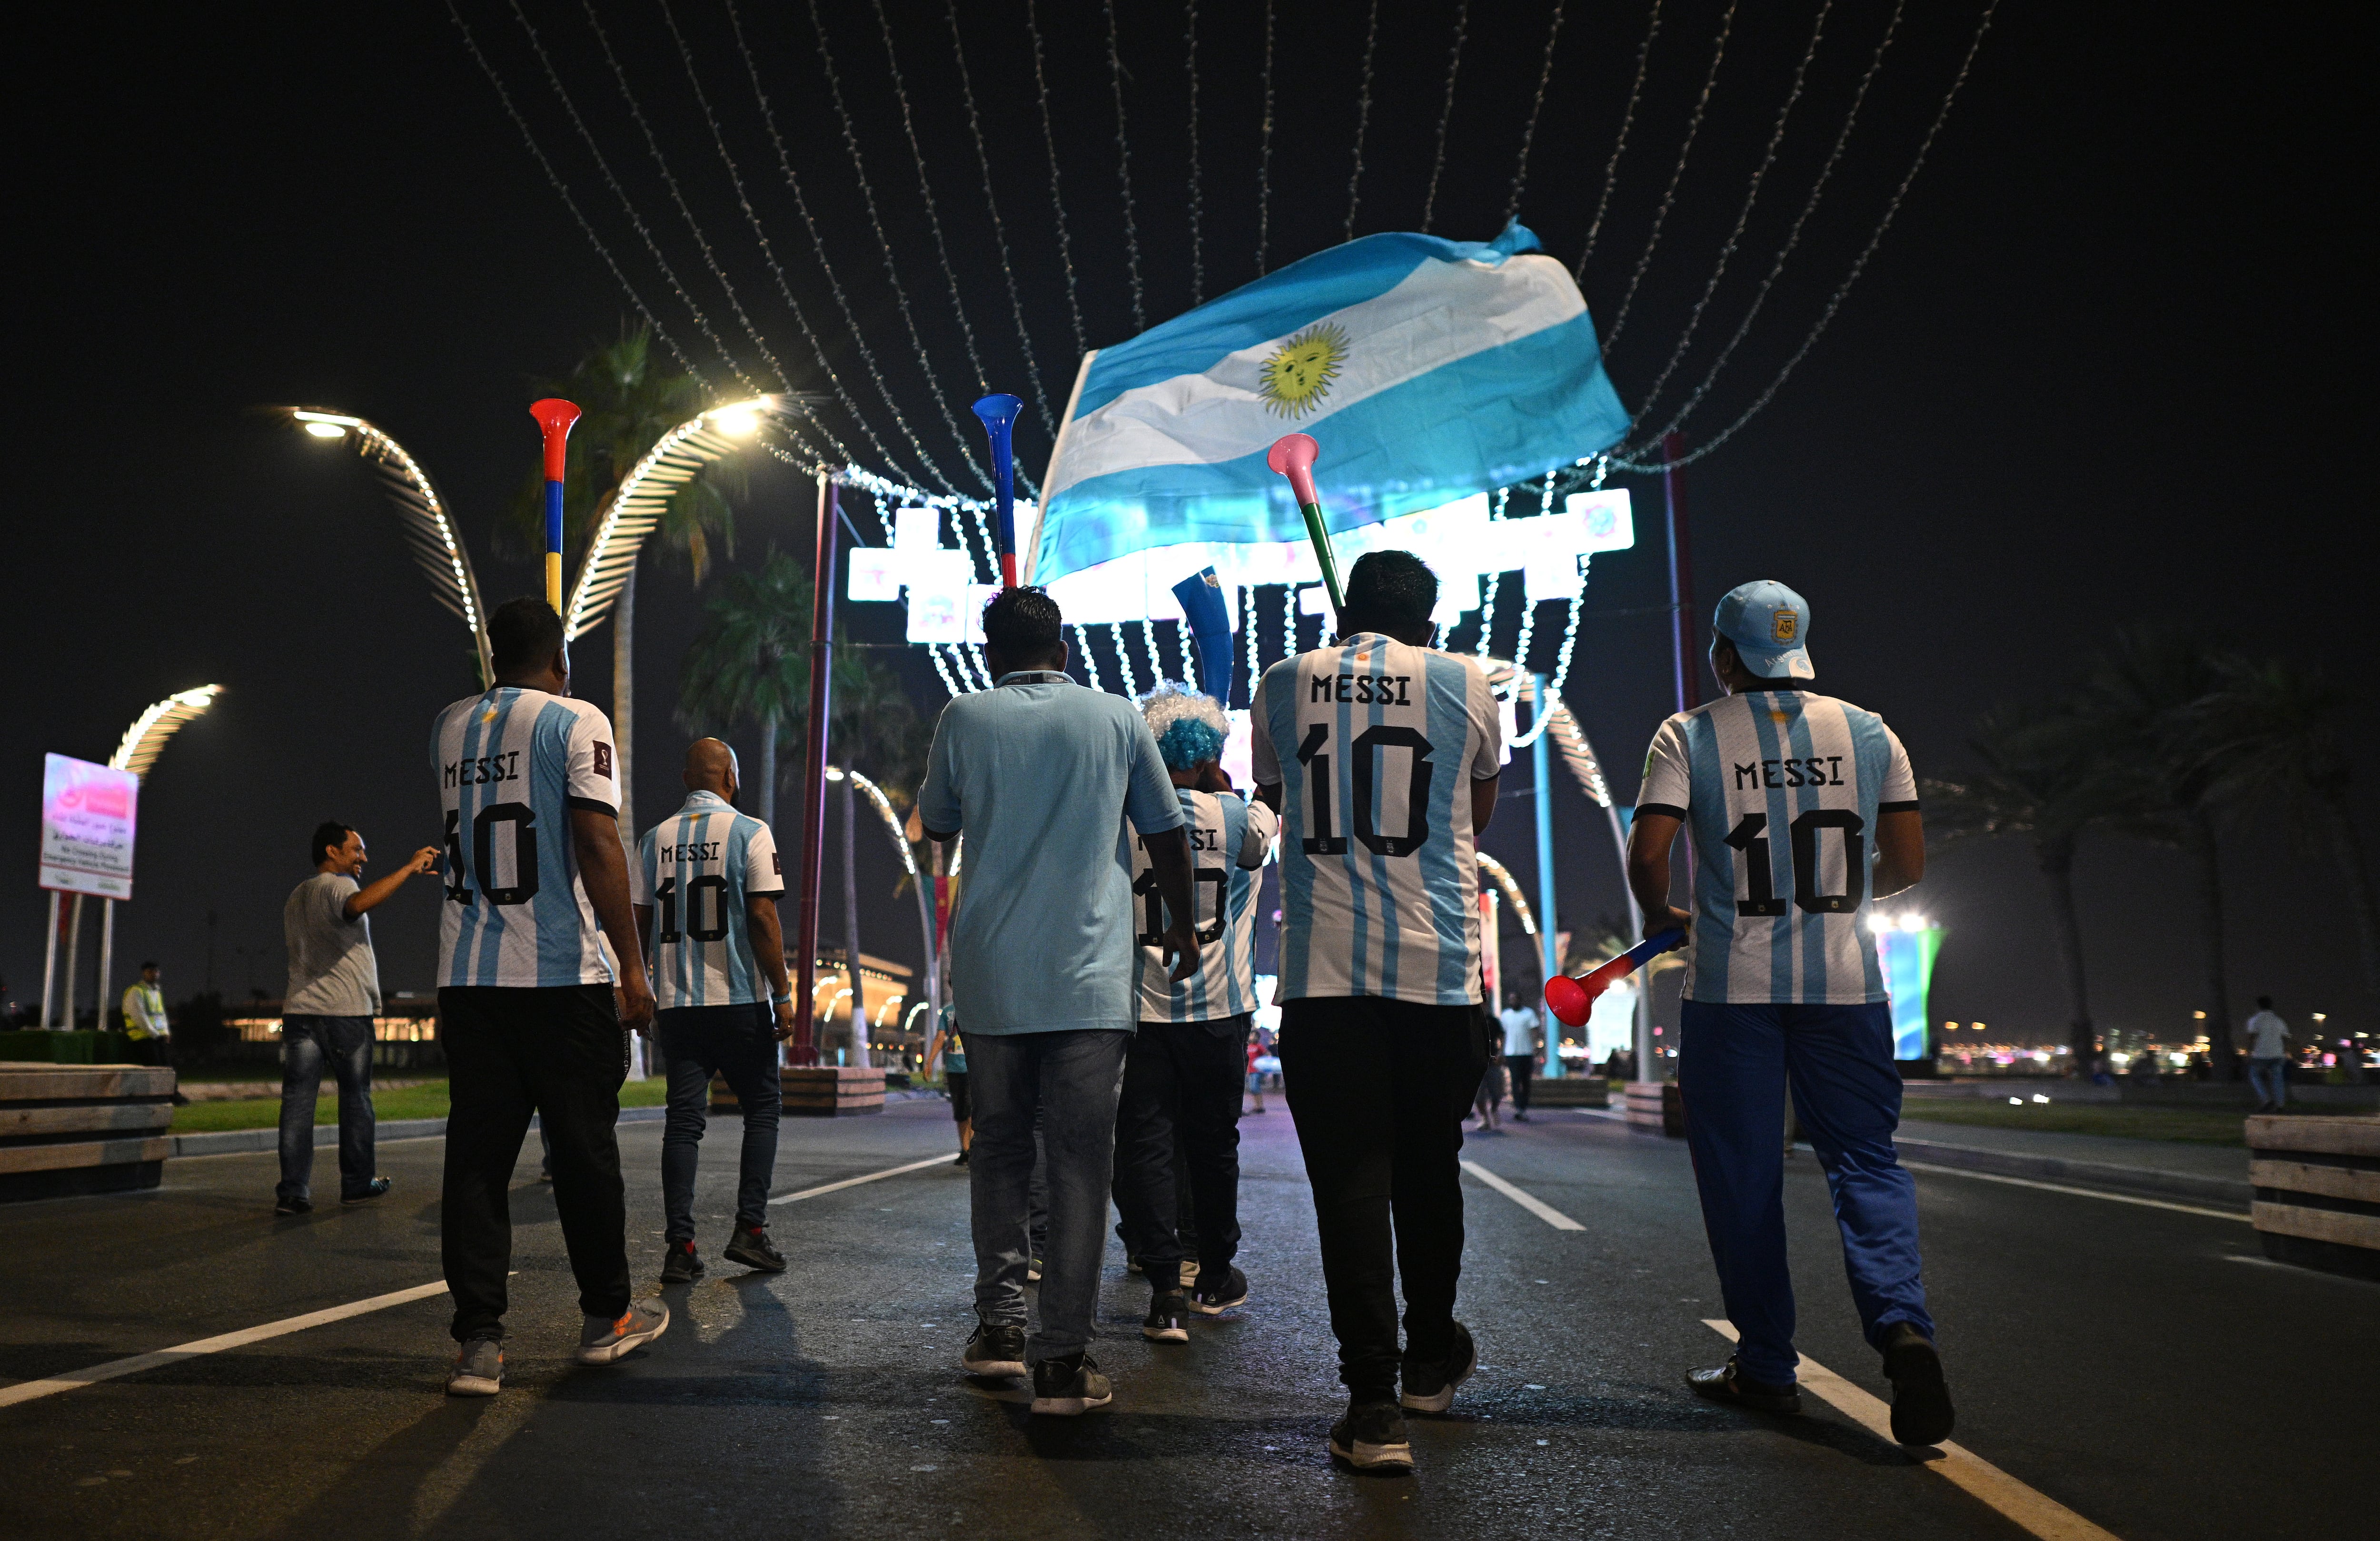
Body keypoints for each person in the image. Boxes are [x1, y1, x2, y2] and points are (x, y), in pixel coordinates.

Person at [1626, 579, 1954, 1448]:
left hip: (1733, 993)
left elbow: (1650, 851)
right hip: (1848, 993)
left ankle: (1768, 1365)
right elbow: (1909, 860)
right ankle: (1902, 1326)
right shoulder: (1872, 730)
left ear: (1726, 657)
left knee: (1744, 1179)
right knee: (1866, 1162)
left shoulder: (1689, 733)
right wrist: (1837, 900)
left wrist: (1666, 918)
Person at [917, 586, 1200, 1418]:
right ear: (1065, 648)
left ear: (990, 652)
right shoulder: (1116, 717)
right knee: (1080, 1162)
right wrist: (1183, 923)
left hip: (996, 974)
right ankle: (1062, 1360)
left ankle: (1000, 1327)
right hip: (1088, 978)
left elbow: (936, 819)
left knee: (1001, 1150)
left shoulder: (964, 718)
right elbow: (1166, 829)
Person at [1250, 549, 1501, 1474]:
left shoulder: (1281, 682)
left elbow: (1279, 801)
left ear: (1343, 608)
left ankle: (1371, 1401)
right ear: (1428, 620)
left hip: (1323, 978)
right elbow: (1478, 804)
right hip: (1437, 972)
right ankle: (1428, 1357)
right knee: (1429, 1169)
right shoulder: (1462, 680)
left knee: (1350, 1184)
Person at [431, 596, 664, 1398]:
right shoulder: (576, 720)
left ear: (493, 656)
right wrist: (634, 967)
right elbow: (598, 841)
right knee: (583, 1153)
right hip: (561, 977)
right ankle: (607, 1317)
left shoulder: (449, 727)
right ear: (560, 658)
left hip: (468, 979)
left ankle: (478, 1344)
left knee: (477, 1162)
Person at [1111, 686, 1279, 1346]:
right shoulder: (1235, 817)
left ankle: (1163, 1290)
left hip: (1141, 1007)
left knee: (1146, 1146)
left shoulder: (1124, 819)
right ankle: (1214, 1270)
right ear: (1209, 751)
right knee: (1214, 1145)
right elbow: (1265, 824)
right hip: (1220, 1008)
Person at [632, 739, 795, 1284]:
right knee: (763, 1110)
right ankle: (750, 1230)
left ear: (686, 778)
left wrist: (639, 981)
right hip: (739, 1000)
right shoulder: (750, 831)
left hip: (677, 1004)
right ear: (731, 776)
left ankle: (680, 1246)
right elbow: (763, 920)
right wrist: (784, 991)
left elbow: (636, 922)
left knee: (683, 1124)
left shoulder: (653, 839)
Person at [274, 823, 438, 1215]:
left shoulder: (297, 895)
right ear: (332, 852)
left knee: (297, 1104)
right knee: (356, 1100)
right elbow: (357, 905)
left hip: (300, 1013)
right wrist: (409, 869)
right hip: (345, 1012)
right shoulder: (340, 886)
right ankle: (357, 1184)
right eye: (356, 850)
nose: (363, 858)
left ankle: (293, 1192)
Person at [924, 1011, 971, 1166]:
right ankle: (965, 1150)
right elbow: (940, 1038)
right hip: (954, 1069)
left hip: (972, 1068)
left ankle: (971, 1149)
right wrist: (930, 1062)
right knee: (960, 1112)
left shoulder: (972, 1006)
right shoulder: (948, 1013)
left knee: (972, 1109)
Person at [2240, 997, 2293, 1112]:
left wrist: (2248, 1053)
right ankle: (2280, 1105)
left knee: (2254, 1075)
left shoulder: (2255, 1020)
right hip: (2278, 1055)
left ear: (2258, 1007)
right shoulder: (2279, 1021)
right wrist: (2285, 1052)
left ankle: (2266, 1099)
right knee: (2278, 1079)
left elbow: (2251, 1038)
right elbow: (2285, 1038)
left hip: (2261, 1055)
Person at [1498, 993, 1542, 1121]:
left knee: (1526, 1081)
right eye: (1511, 999)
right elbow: (1503, 1035)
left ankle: (1523, 1105)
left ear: (1520, 1000)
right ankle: (1518, 1107)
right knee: (1515, 1080)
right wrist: (1502, 1051)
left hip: (1527, 1052)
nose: (1514, 1001)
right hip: (1512, 1053)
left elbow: (1535, 1031)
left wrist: (1536, 1046)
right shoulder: (1506, 1015)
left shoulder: (1529, 1014)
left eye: (1516, 999)